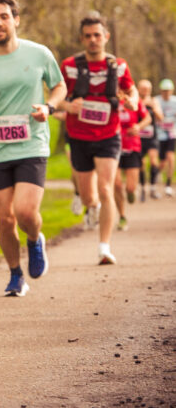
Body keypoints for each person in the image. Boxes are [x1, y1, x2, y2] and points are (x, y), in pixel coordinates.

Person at [0, 0, 67, 297]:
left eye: (4, 16)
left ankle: (35, 240)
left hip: (32, 144)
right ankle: (15, 275)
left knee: (24, 212)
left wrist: (49, 107)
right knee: (4, 219)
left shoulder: (39, 54)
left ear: (15, 20)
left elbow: (59, 85)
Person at [59, 14, 138, 265]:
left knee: (106, 188)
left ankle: (104, 247)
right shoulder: (70, 66)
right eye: (88, 36)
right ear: (82, 39)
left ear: (106, 37)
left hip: (108, 135)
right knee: (88, 197)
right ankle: (90, 207)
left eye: (97, 35)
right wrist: (68, 106)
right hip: (79, 136)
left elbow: (131, 90)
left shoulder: (119, 65)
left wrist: (132, 100)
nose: (93, 40)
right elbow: (56, 96)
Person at [113, 94, 150, 231]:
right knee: (116, 185)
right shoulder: (110, 99)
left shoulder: (135, 101)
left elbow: (148, 118)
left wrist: (138, 127)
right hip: (113, 146)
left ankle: (131, 192)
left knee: (130, 187)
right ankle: (122, 216)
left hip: (132, 146)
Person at [137, 79, 163, 201]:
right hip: (139, 136)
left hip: (152, 136)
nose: (145, 91)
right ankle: (142, 188)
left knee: (153, 161)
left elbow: (160, 118)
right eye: (143, 88)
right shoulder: (135, 100)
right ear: (138, 89)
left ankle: (153, 187)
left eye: (147, 89)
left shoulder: (154, 101)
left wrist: (153, 107)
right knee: (141, 164)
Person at [154, 79, 176, 197]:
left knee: (171, 158)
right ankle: (155, 175)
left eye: (168, 91)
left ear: (172, 91)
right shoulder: (156, 100)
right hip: (160, 135)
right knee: (162, 162)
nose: (166, 93)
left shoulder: (175, 101)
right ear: (161, 91)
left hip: (172, 134)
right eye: (164, 91)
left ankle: (168, 185)